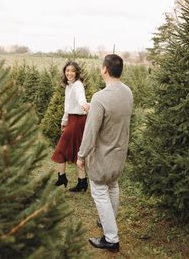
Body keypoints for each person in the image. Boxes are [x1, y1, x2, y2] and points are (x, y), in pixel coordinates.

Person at [77, 54, 133, 252]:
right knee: (113, 186)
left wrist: (81, 156)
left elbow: (91, 132)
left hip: (103, 155)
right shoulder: (128, 92)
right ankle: (107, 221)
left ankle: (111, 239)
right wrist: (95, 110)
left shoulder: (100, 97)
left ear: (104, 70)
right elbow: (115, 115)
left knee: (100, 191)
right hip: (119, 153)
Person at [51, 61, 89, 192]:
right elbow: (67, 106)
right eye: (67, 71)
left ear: (77, 72)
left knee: (61, 150)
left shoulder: (77, 85)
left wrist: (84, 105)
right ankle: (81, 182)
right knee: (77, 151)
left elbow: (81, 98)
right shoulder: (69, 85)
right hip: (72, 119)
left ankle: (63, 178)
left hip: (77, 121)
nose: (69, 73)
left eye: (72, 71)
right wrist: (64, 121)